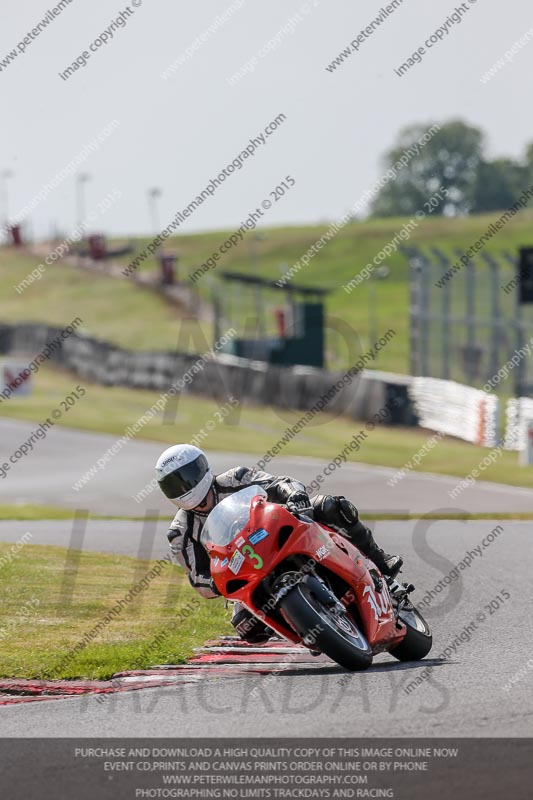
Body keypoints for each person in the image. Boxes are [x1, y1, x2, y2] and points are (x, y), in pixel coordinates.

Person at [156, 444, 403, 643]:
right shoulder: (180, 532)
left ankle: (380, 561)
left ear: (201, 468)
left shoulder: (235, 478)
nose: (184, 488)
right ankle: (306, 623)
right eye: (174, 485)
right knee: (247, 628)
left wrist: (294, 495)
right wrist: (218, 582)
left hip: (280, 532)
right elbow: (199, 578)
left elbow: (278, 482)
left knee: (331, 506)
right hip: (247, 571)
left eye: (186, 478)